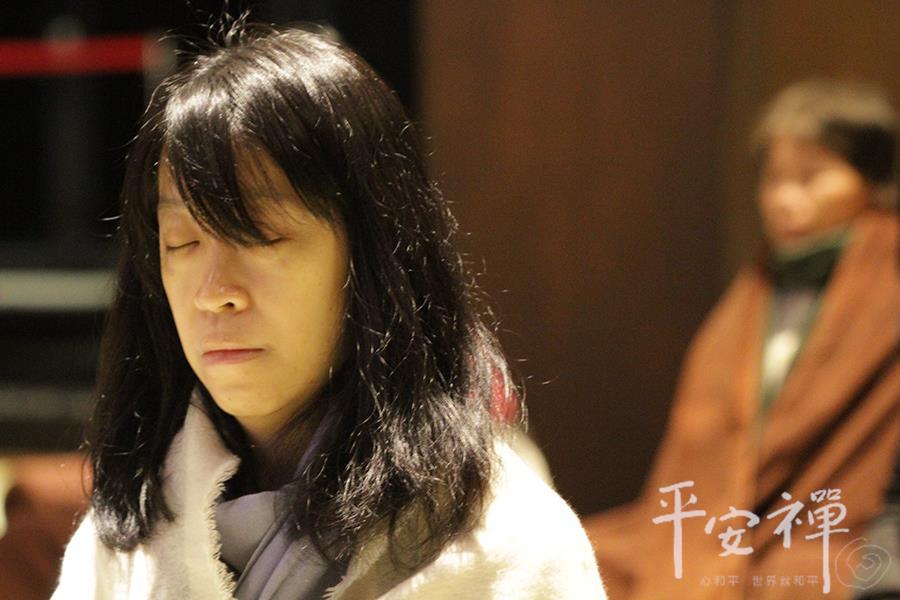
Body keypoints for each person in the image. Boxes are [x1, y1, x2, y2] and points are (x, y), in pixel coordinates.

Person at [51, 20, 606, 600]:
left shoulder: (505, 545)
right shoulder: (132, 530)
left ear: (374, 256)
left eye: (262, 234)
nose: (213, 291)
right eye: (181, 243)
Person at [585, 78, 899, 600]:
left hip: (834, 524)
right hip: (720, 519)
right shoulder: (761, 283)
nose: (784, 199)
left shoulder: (888, 275)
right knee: (576, 554)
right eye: (774, 178)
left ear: (870, 180)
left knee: (797, 580)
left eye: (811, 177)